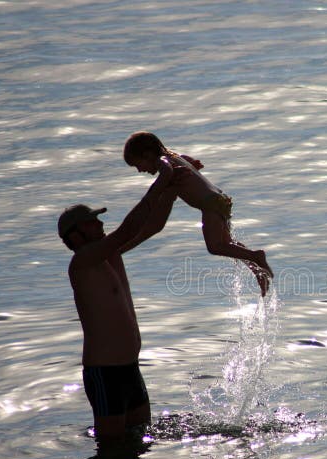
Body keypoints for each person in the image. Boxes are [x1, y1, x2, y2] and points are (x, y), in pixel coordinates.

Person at [58, 170, 181, 441]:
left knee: (138, 444)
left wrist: (173, 188)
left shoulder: (109, 254)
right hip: (105, 374)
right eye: (92, 222)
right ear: (76, 235)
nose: (100, 223)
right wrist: (159, 182)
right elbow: (128, 229)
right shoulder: (82, 263)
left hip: (130, 368)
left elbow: (152, 226)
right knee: (111, 449)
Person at [122, 131, 273, 296]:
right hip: (220, 200)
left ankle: (256, 256)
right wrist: (192, 163)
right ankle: (256, 269)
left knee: (214, 246)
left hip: (210, 204)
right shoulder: (175, 156)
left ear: (148, 154)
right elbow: (187, 159)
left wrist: (155, 191)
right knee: (227, 244)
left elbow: (166, 171)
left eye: (138, 165)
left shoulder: (163, 161)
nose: (139, 170)